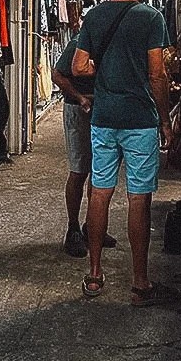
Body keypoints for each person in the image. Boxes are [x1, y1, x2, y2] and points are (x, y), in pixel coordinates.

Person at [72, 0, 173, 305]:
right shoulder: (152, 18)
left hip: (104, 116)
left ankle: (95, 274)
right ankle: (140, 281)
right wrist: (164, 118)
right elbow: (157, 74)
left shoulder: (95, 16)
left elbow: (78, 65)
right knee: (138, 198)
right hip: (140, 119)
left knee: (99, 192)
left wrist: (106, 69)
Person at [51, 39, 117, 258]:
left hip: (103, 110)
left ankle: (92, 227)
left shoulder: (111, 44)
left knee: (99, 172)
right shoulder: (80, 42)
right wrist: (79, 97)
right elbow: (57, 75)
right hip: (78, 110)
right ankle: (73, 228)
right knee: (79, 170)